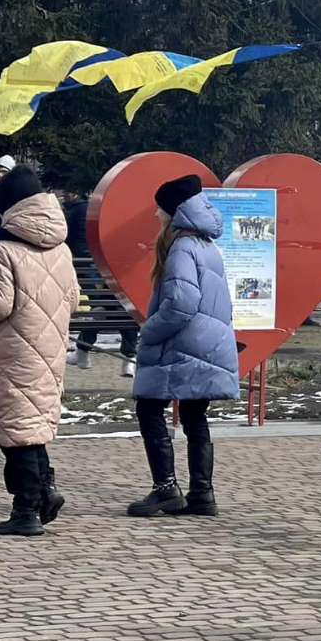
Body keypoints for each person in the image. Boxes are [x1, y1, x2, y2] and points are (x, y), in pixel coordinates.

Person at [0, 166, 79, 536]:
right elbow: (73, 299)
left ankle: (26, 509)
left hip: (15, 348)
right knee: (30, 424)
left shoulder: (5, 250)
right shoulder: (61, 248)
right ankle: (45, 489)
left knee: (15, 430)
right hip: (50, 345)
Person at [126, 175, 240, 518]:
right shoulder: (205, 244)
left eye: (159, 209)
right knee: (194, 414)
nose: (156, 215)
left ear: (174, 212)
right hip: (205, 343)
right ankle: (202, 493)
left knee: (149, 408)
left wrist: (149, 331)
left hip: (183, 344)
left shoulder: (181, 247)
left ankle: (166, 488)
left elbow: (181, 303)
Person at [62, 188, 138, 377]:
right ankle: (128, 359)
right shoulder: (131, 220)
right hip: (127, 277)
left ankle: (83, 352)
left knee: (105, 309)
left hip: (112, 276)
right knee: (119, 310)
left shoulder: (111, 219)